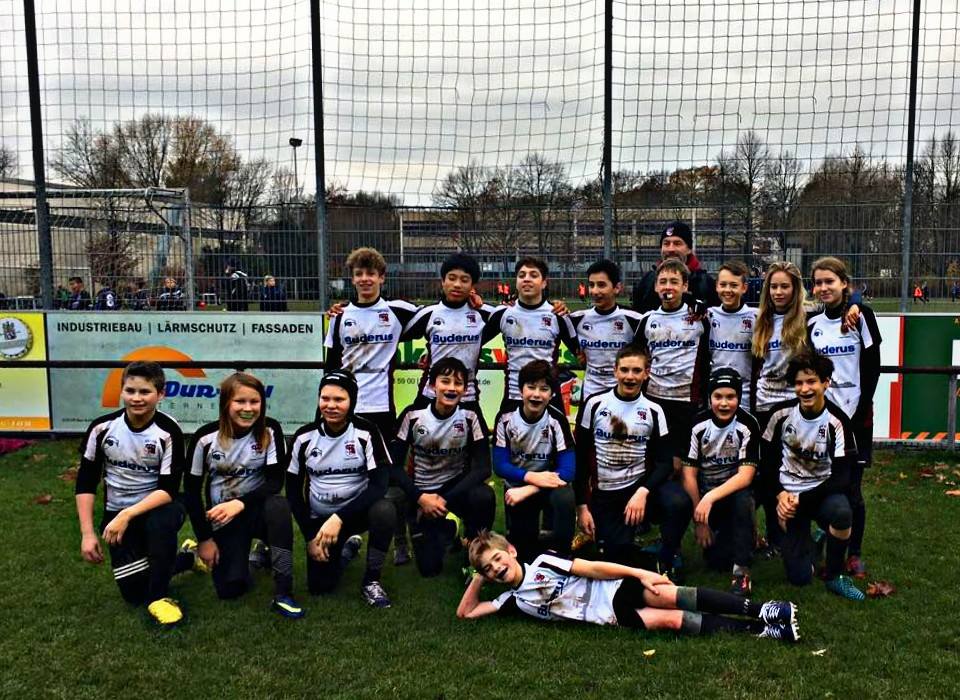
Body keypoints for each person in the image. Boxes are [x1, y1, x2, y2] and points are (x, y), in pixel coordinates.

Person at [457, 531, 800, 642]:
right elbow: (466, 613)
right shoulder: (510, 601)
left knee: (671, 596)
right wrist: (478, 576)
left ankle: (765, 610)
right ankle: (760, 630)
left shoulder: (544, 563)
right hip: (608, 616)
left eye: (497, 559)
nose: (496, 568)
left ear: (511, 551)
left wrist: (640, 574)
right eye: (489, 569)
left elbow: (593, 567)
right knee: (672, 621)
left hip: (615, 590)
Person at [74, 361, 193, 626]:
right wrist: (87, 533)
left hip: (158, 507)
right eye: (130, 391)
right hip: (117, 514)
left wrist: (127, 514)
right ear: (122, 391)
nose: (136, 398)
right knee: (133, 593)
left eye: (145, 392)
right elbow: (85, 482)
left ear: (160, 394)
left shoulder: (168, 431)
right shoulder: (102, 428)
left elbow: (168, 489)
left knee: (159, 525)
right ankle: (187, 558)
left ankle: (159, 598)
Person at [324, 247, 419, 565]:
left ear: (381, 277)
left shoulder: (398, 312)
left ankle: (400, 541)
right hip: (346, 410)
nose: (365, 279)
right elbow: (330, 368)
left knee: (390, 478)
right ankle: (350, 535)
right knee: (348, 475)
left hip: (381, 409)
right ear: (352, 279)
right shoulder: (340, 317)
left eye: (371, 273)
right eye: (359, 274)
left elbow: (440, 317)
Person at [184, 373, 303, 618]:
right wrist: (205, 539)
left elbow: (275, 482)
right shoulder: (205, 438)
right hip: (223, 518)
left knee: (279, 506)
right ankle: (245, 556)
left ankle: (283, 592)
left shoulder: (270, 429)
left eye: (254, 402)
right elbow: (192, 493)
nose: (248, 409)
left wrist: (240, 503)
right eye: (240, 401)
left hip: (257, 511)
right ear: (226, 403)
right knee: (230, 590)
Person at [575, 346, 692, 578]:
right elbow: (580, 456)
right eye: (625, 370)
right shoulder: (594, 404)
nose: (630, 377)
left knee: (678, 502)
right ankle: (631, 548)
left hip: (639, 490)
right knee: (616, 559)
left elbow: (665, 462)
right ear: (615, 371)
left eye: (637, 371)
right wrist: (581, 506)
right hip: (605, 492)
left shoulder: (654, 410)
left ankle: (668, 555)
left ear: (646, 373)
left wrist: (643, 491)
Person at [286, 370, 397, 608]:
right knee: (320, 587)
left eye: (339, 399)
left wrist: (339, 518)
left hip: (356, 514)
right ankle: (346, 549)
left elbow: (379, 485)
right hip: (320, 521)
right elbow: (292, 492)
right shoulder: (304, 437)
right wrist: (309, 535)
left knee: (385, 510)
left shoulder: (367, 432)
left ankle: (371, 580)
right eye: (325, 398)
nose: (331, 405)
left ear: (352, 401)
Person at [763, 352, 864, 601]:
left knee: (842, 512)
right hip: (788, 498)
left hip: (820, 494)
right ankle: (813, 542)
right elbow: (766, 465)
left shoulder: (838, 421)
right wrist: (780, 495)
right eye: (799, 383)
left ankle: (835, 575)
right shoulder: (779, 415)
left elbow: (842, 478)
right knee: (799, 578)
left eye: (811, 382)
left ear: (826, 383)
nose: (805, 389)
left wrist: (801, 499)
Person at [808, 256, 882, 579]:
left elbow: (873, 364)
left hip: (855, 417)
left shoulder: (861, 316)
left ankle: (854, 554)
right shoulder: (812, 324)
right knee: (823, 481)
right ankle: (824, 535)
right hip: (824, 419)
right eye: (818, 282)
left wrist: (863, 406)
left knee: (853, 488)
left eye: (830, 281)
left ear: (844, 284)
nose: (824, 287)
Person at [391, 357, 494, 577]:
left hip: (454, 492)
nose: (451, 388)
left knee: (484, 495)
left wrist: (444, 499)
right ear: (432, 386)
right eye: (445, 381)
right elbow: (394, 467)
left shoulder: (470, 416)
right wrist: (420, 498)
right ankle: (449, 530)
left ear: (465, 390)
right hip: (422, 495)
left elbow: (484, 468)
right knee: (430, 570)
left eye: (458, 383)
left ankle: (476, 551)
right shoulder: (412, 415)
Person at [681, 369, 760, 596]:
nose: (724, 403)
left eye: (730, 397)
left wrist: (710, 497)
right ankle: (673, 555)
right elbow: (688, 475)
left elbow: (745, 476)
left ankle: (741, 572)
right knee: (716, 562)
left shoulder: (748, 424)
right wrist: (700, 521)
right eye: (718, 397)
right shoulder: (698, 424)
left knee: (744, 499)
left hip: (732, 494)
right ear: (709, 398)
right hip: (705, 498)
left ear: (739, 398)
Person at [633, 258, 711, 473]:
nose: (668, 287)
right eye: (663, 281)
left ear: (685, 286)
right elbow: (638, 358)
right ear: (656, 286)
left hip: (686, 402)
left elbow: (707, 358)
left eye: (674, 282)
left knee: (683, 464)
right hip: (655, 399)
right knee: (657, 459)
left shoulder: (699, 317)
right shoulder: (648, 319)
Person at [493, 360, 576, 561]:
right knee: (524, 554)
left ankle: (562, 556)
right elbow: (500, 465)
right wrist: (529, 477)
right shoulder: (505, 418)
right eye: (531, 387)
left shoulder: (556, 419)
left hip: (546, 488)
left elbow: (568, 469)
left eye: (544, 389)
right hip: (516, 489)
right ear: (521, 390)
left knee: (565, 497)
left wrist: (532, 486)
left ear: (552, 394)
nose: (536, 394)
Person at [402, 253, 495, 422]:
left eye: (464, 280)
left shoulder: (485, 314)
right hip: (431, 394)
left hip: (467, 396)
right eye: (452, 278)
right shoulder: (428, 314)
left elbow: (518, 318)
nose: (457, 284)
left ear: (472, 285)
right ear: (443, 281)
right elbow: (392, 335)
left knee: (478, 438)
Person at [482, 257, 579, 415]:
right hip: (514, 395)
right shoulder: (503, 314)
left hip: (548, 397)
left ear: (544, 283)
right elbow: (473, 342)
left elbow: (580, 353)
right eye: (522, 275)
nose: (526, 279)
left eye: (533, 275)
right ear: (516, 281)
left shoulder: (558, 315)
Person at [568, 259, 644, 405]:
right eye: (591, 285)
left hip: (624, 395)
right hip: (591, 395)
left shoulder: (634, 320)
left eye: (601, 285)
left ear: (617, 288)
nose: (595, 291)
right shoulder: (577, 319)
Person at [631, 221, 720, 313]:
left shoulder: (705, 284)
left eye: (677, 243)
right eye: (666, 243)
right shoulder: (648, 281)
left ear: (689, 249)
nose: (671, 249)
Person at [707, 260, 758, 411]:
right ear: (716, 286)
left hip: (745, 397)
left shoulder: (756, 317)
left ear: (744, 288)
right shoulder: (708, 316)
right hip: (716, 396)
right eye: (723, 285)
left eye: (734, 285)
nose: (727, 290)